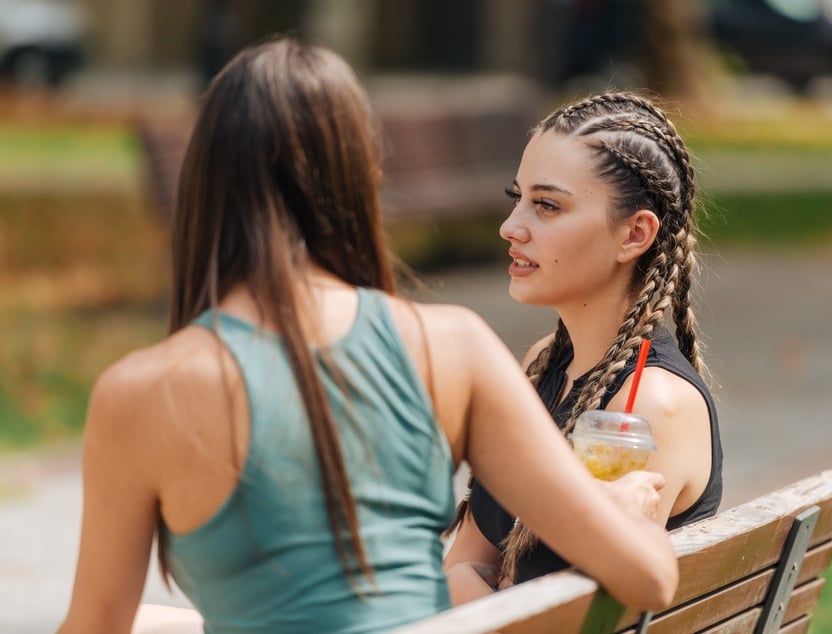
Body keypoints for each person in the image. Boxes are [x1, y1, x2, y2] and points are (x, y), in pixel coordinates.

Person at [57, 38, 679, 634]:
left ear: (202, 188)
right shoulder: (451, 347)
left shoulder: (139, 393)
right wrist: (619, 513)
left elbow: (95, 626)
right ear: (360, 179)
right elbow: (648, 577)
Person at [444, 92, 723, 602]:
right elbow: (466, 560)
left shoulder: (650, 407)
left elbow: (558, 615)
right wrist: (468, 582)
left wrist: (468, 585)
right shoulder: (544, 363)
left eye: (547, 205)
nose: (511, 227)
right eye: (518, 198)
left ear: (634, 234)